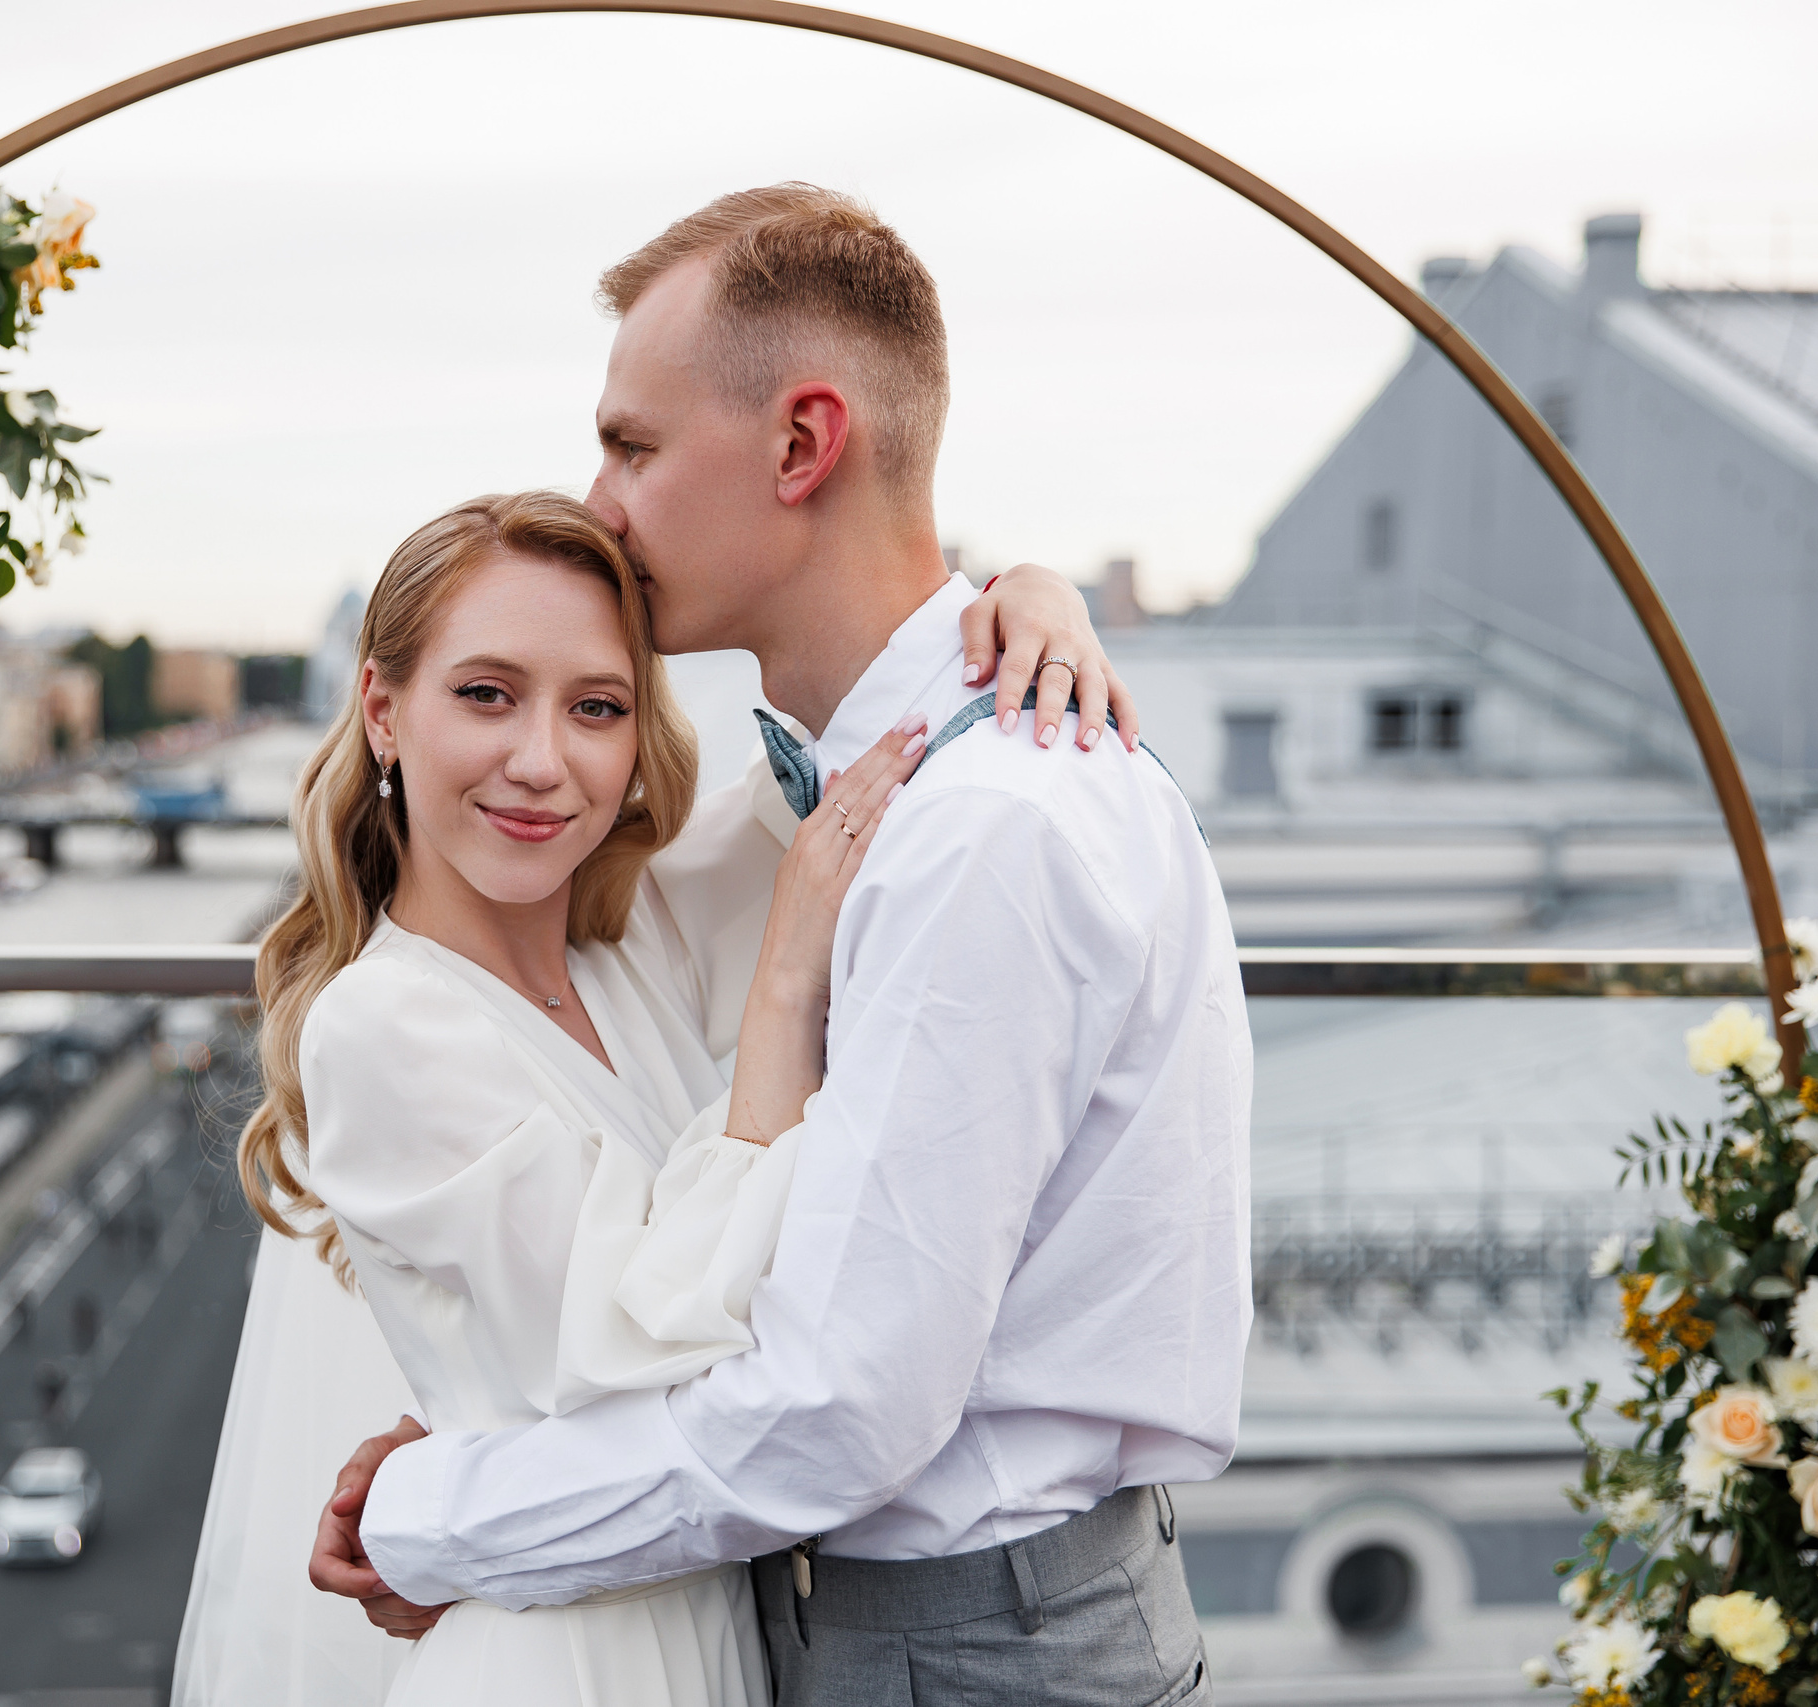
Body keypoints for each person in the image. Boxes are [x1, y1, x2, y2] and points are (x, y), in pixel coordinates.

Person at [308, 186, 1249, 1706]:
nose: (601, 500)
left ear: (803, 445)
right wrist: (1025, 584)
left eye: (634, 446)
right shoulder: (875, 798)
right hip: (876, 1617)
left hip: (954, 1646)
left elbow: (837, 1406)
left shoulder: (979, 828)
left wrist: (436, 1514)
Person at [170, 511, 1125, 1706]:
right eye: (484, 695)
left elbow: (866, 749)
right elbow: (649, 1339)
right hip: (557, 1655)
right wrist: (781, 990)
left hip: (705, 1616)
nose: (541, 762)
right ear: (380, 711)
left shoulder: (627, 948)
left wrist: (1032, 598)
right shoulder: (383, 1027)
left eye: (597, 708)